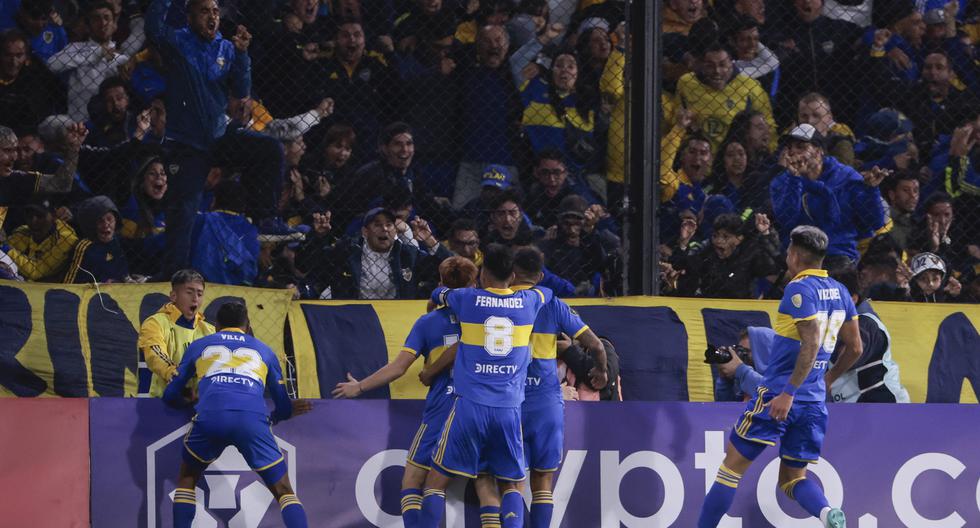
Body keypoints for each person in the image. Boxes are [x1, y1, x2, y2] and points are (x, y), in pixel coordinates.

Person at [697, 225, 862, 528]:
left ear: (796, 255)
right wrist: (828, 378)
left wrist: (788, 392)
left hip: (780, 395)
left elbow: (810, 344)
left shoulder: (798, 289)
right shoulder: (840, 291)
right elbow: (855, 347)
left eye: (787, 251)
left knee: (730, 469)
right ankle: (827, 514)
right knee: (791, 480)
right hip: (813, 403)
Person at [331, 256, 502, 527]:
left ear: (441, 282)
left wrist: (359, 386)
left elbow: (398, 368)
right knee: (486, 480)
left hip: (443, 406)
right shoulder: (490, 319)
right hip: (483, 406)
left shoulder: (428, 322)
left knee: (413, 479)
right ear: (475, 282)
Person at [417, 243, 554, 528]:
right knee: (512, 485)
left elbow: (437, 293)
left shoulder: (467, 299)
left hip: (470, 407)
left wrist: (440, 297)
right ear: (513, 277)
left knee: (434, 482)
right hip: (509, 409)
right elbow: (547, 291)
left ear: (481, 274)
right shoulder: (531, 300)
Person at [162, 302, 312, 528]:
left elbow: (170, 394)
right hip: (252, 420)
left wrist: (187, 402)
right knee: (284, 491)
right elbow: (282, 404)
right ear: (248, 326)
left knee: (187, 479)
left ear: (216, 326)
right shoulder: (265, 351)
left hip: (211, 417)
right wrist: (279, 416)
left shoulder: (199, 345)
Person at [145, 0, 253, 275]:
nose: (212, 17)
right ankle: (174, 275)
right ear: (190, 16)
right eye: (205, 11)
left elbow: (241, 89)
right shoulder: (179, 41)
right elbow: (153, 29)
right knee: (183, 210)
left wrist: (242, 55)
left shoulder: (226, 48)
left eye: (215, 11)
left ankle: (267, 215)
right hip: (186, 143)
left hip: (219, 137)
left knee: (270, 150)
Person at [296, 207, 452, 299]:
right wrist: (318, 237)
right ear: (365, 231)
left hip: (397, 318)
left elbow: (451, 271)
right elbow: (307, 265)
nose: (384, 229)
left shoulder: (408, 254)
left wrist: (430, 240)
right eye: (377, 225)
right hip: (352, 318)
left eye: (389, 224)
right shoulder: (346, 251)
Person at [137, 269, 215, 397]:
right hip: (157, 402)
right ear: (173, 296)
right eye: (189, 293)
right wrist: (176, 377)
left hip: (196, 403)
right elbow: (155, 354)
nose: (195, 298)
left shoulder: (210, 330)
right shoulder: (154, 323)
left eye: (200, 294)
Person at [46, 2, 129, 122]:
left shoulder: (122, 58)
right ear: (88, 25)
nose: (103, 23)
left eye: (107, 18)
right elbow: (52, 65)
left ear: (114, 24)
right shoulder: (75, 48)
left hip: (113, 122)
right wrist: (97, 53)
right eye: (96, 19)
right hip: (79, 124)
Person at [0, 124, 85, 234]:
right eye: (7, 151)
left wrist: (74, 149)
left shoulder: (15, 179)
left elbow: (62, 184)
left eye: (14, 150)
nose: (14, 157)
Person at [63, 195, 130, 283]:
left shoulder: (115, 241)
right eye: (100, 221)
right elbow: (69, 283)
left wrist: (126, 279)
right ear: (91, 225)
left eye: (109, 219)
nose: (106, 225)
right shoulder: (84, 247)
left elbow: (122, 271)